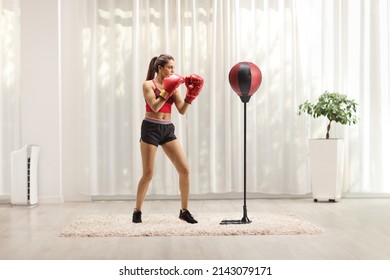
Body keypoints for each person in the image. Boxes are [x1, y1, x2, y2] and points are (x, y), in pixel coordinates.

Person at [133, 54, 204, 224]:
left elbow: (181, 110)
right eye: (170, 67)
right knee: (148, 174)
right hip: (150, 128)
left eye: (174, 67)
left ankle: (184, 211)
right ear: (160, 68)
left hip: (167, 129)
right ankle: (137, 211)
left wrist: (191, 95)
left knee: (184, 170)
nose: (173, 70)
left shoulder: (174, 86)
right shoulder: (148, 84)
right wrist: (168, 89)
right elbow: (154, 105)